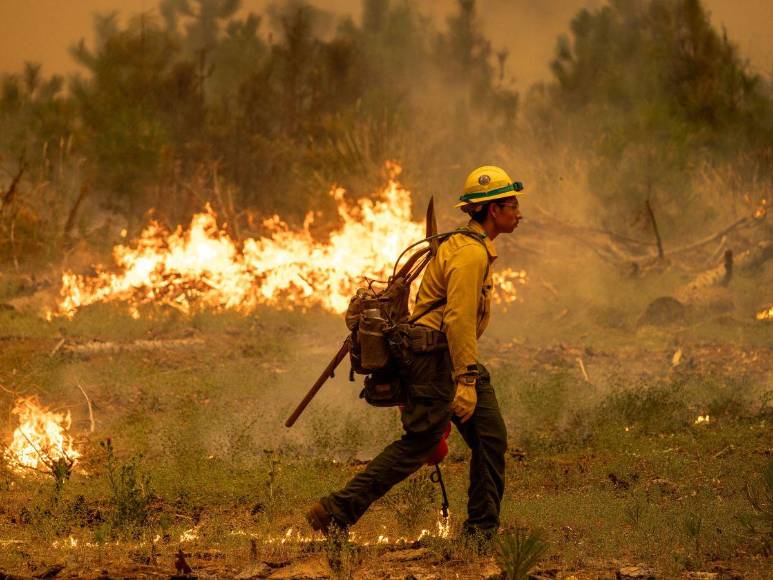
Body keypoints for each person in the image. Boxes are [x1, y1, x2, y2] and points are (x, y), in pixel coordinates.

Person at [306, 165, 524, 545]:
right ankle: (337, 510)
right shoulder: (469, 254)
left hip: (438, 353)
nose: (519, 212)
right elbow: (457, 320)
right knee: (420, 444)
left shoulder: (462, 244)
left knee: (489, 437)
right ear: (493, 211)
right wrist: (466, 379)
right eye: (512, 205)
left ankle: (480, 533)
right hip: (437, 355)